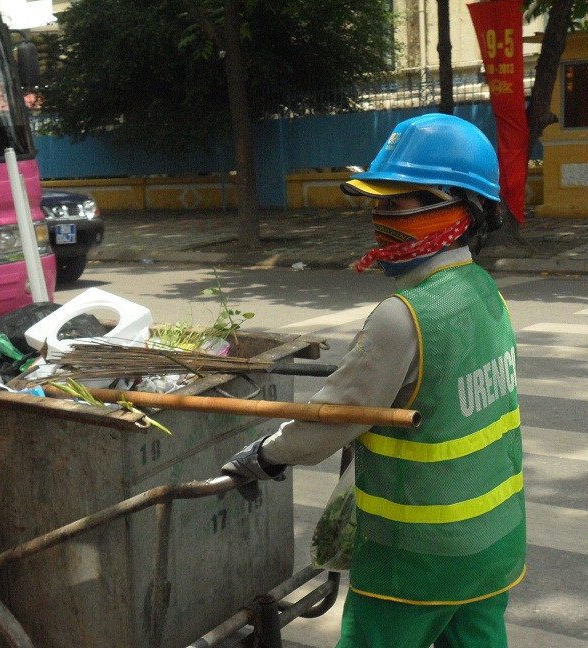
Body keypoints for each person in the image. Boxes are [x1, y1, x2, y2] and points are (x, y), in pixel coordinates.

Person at [222, 113, 526, 648]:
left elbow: (331, 421)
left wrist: (266, 455)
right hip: (491, 542)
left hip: (416, 557)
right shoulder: (484, 290)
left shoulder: (404, 315)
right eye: (377, 203)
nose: (379, 217)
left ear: (461, 210)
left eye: (398, 203)